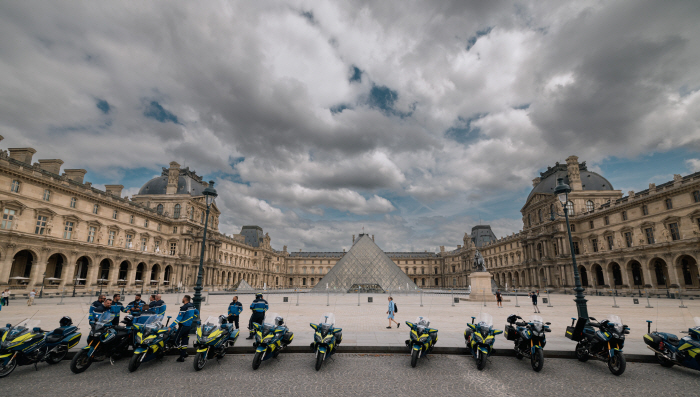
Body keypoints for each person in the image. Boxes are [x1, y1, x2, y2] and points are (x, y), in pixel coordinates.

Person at [170, 295, 199, 362]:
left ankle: (183, 353)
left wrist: (170, 326)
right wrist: (191, 319)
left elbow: (178, 319)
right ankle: (182, 356)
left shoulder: (184, 307)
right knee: (184, 341)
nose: (182, 299)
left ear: (185, 299)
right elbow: (197, 313)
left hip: (183, 326)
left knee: (175, 340)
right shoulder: (192, 306)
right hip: (188, 326)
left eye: (183, 298)